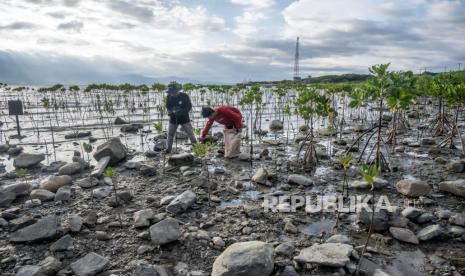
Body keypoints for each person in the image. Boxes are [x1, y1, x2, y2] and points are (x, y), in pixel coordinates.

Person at [165, 81, 197, 153]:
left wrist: (182, 112)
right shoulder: (169, 97)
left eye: (173, 92)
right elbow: (167, 107)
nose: (172, 93)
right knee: (170, 134)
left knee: (190, 133)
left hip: (184, 118)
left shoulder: (184, 96)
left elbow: (189, 106)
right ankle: (168, 149)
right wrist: (170, 112)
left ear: (177, 90)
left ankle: (196, 148)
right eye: (170, 92)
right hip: (173, 118)